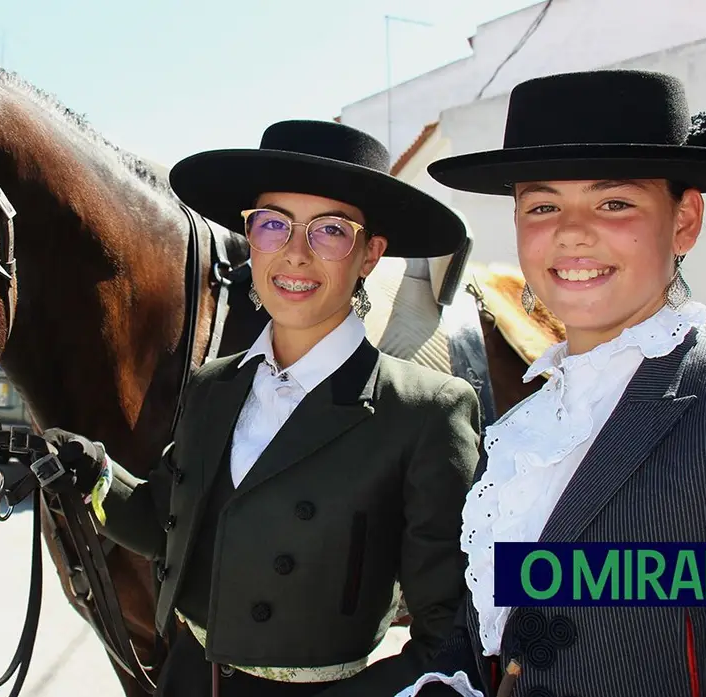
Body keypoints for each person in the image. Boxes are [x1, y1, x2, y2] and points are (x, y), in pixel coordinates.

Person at [395, 69, 706, 697]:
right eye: (542, 206)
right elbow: (488, 640)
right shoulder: (521, 431)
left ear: (684, 220)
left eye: (614, 203)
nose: (572, 231)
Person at [37, 119, 483, 696]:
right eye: (274, 225)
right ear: (251, 238)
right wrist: (96, 475)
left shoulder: (425, 414)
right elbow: (165, 525)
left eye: (330, 231)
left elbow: (448, 633)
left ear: (370, 254)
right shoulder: (212, 386)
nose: (295, 254)